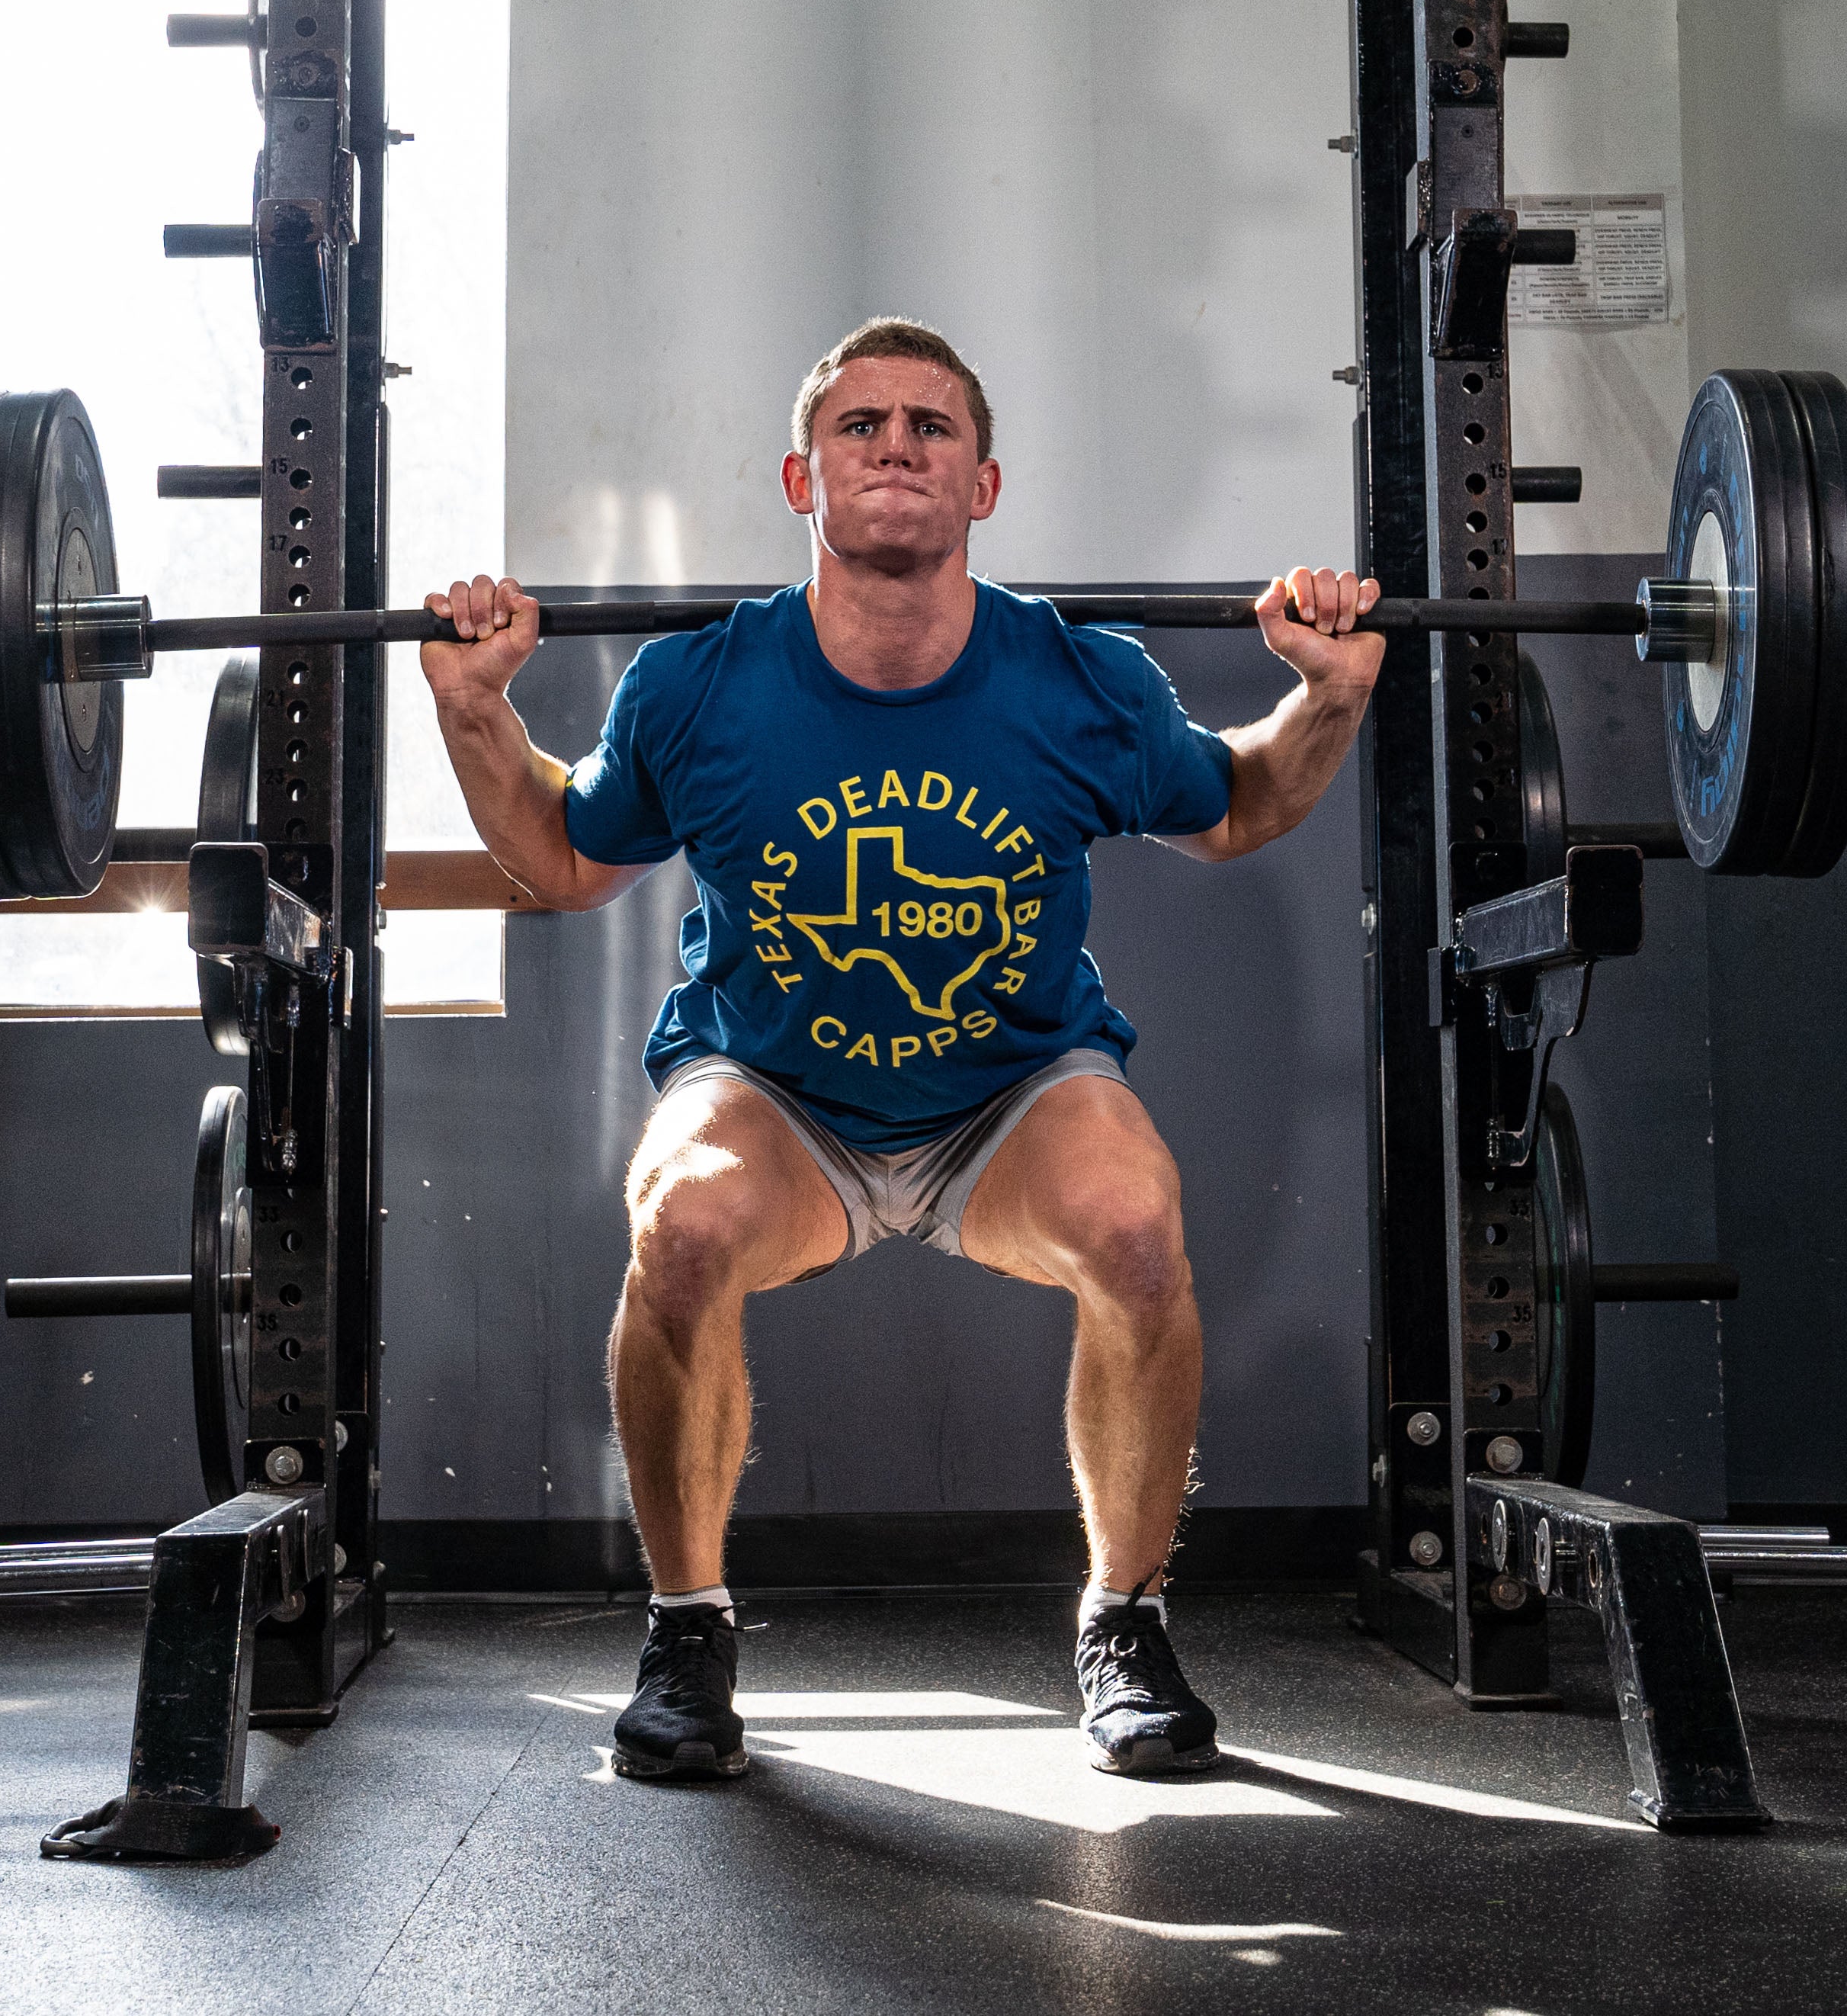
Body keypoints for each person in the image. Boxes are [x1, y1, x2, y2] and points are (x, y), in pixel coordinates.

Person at [421, 318, 1383, 1783]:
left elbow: (1238, 806)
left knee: (1136, 1226)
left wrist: (1330, 696)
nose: (894, 447)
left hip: (1011, 1095)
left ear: (983, 485)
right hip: (778, 1097)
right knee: (679, 1228)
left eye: (930, 427)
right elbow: (560, 861)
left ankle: (1124, 1624)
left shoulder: (1078, 678)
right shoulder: (699, 686)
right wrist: (474, 710)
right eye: (861, 426)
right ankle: (688, 1628)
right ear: (800, 477)